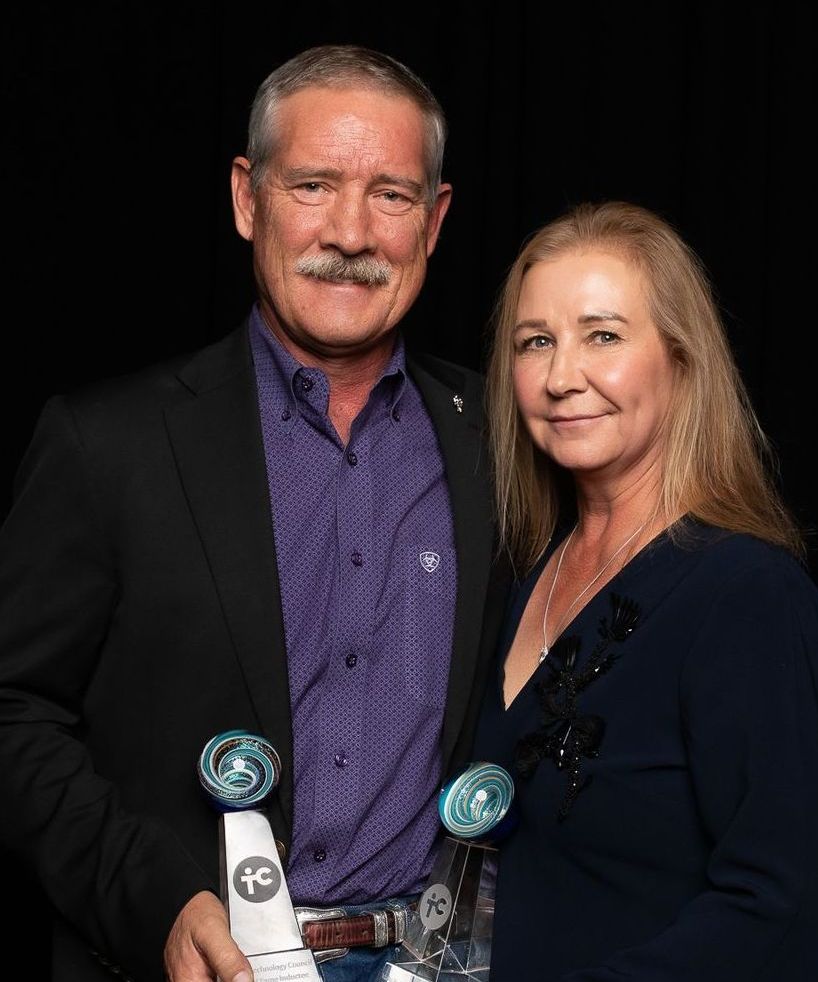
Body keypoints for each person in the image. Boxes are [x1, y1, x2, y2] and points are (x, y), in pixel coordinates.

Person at [0, 45, 507, 982]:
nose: (351, 233)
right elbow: (13, 710)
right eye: (313, 184)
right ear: (247, 199)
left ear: (434, 222)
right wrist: (153, 899)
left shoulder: (501, 444)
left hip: (438, 963)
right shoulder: (107, 444)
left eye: (391, 195)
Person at [473, 201, 818, 980]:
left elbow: (783, 908)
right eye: (535, 342)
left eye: (602, 335)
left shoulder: (749, 595)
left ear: (681, 361)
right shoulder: (521, 574)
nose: (561, 376)